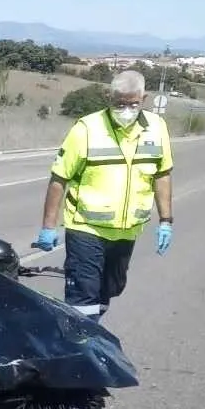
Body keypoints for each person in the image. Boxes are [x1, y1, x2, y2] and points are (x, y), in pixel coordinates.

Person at [34, 69, 173, 323]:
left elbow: (161, 175)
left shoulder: (157, 128)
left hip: (126, 232)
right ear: (110, 99)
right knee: (83, 299)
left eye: (133, 104)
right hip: (86, 230)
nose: (126, 110)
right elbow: (59, 178)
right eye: (120, 103)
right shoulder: (87, 128)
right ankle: (81, 351)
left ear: (144, 98)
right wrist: (48, 227)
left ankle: (91, 337)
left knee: (109, 291)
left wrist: (166, 221)